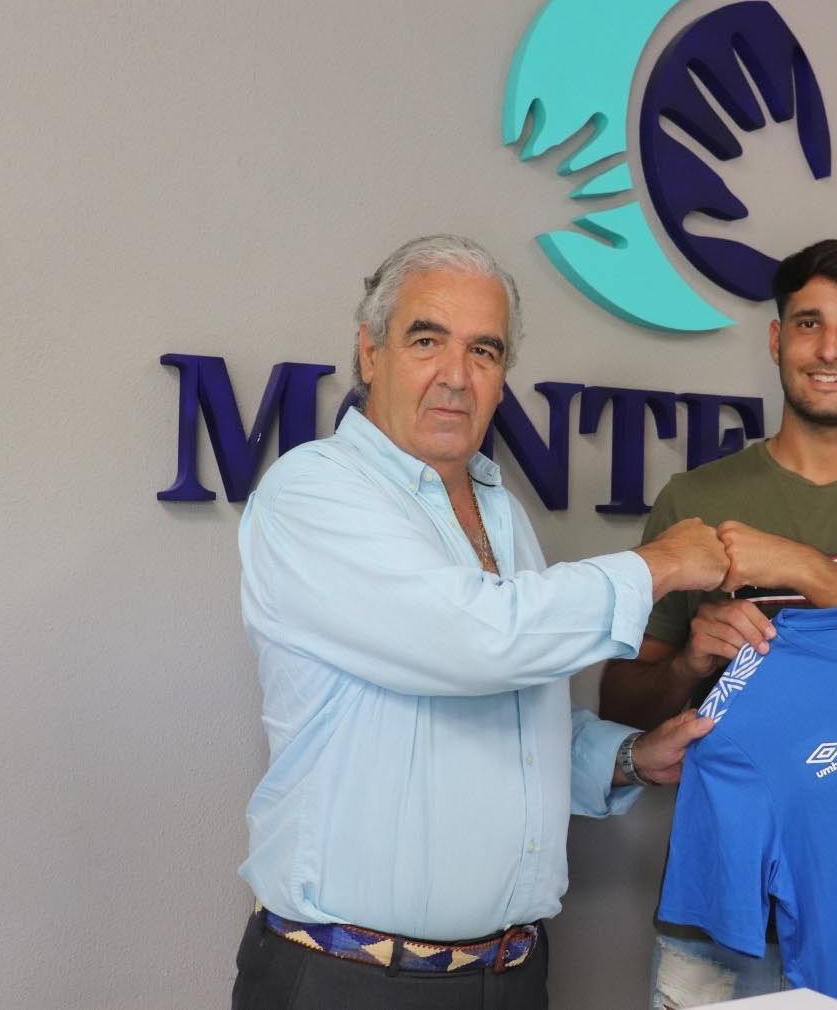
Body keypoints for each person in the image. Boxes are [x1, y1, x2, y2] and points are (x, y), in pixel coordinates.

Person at [231, 234, 729, 1010]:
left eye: (485, 352)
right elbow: (472, 642)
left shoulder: (500, 510)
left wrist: (630, 758)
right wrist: (659, 565)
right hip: (352, 984)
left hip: (512, 979)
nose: (456, 377)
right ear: (370, 353)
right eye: (427, 340)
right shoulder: (312, 494)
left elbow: (508, 714)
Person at [599, 239, 837, 1007]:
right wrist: (686, 666)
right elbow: (619, 701)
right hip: (723, 914)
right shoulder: (694, 499)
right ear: (777, 340)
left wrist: (806, 570)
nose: (829, 348)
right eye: (808, 323)